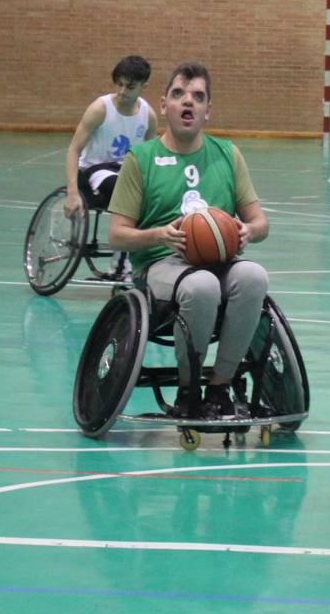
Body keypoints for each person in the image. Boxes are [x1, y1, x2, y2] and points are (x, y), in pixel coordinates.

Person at [107, 61, 270, 419]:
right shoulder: (141, 159)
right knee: (202, 286)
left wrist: (248, 231)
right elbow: (116, 234)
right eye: (179, 94)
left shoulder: (228, 154)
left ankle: (219, 387)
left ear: (208, 111)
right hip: (160, 265)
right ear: (163, 105)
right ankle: (188, 389)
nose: (188, 103)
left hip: (218, 259)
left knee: (254, 276)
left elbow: (260, 222)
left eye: (198, 97)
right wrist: (158, 235)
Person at [64, 55, 152, 219]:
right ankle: (125, 234)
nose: (122, 91)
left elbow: (151, 158)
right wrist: (72, 192)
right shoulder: (100, 109)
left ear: (144, 86)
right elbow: (74, 150)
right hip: (95, 170)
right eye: (119, 84)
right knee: (122, 188)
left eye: (130, 87)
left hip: (126, 171)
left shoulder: (148, 115)